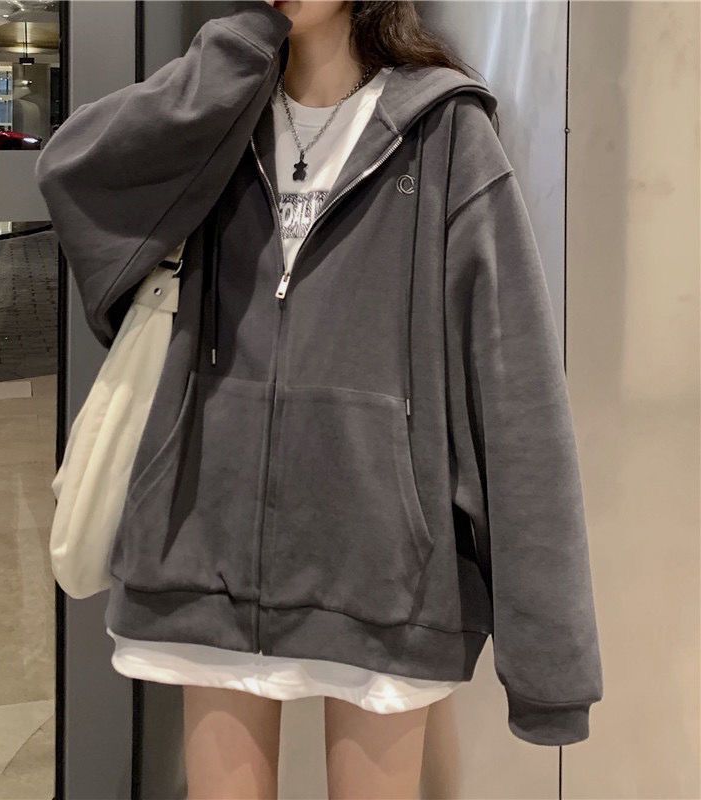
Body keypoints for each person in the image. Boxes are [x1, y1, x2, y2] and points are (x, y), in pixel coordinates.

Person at [35, 1, 604, 797]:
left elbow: (515, 390)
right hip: (206, 560)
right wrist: (236, 49)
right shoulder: (216, 113)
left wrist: (551, 661)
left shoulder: (443, 131)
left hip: (382, 580)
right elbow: (72, 172)